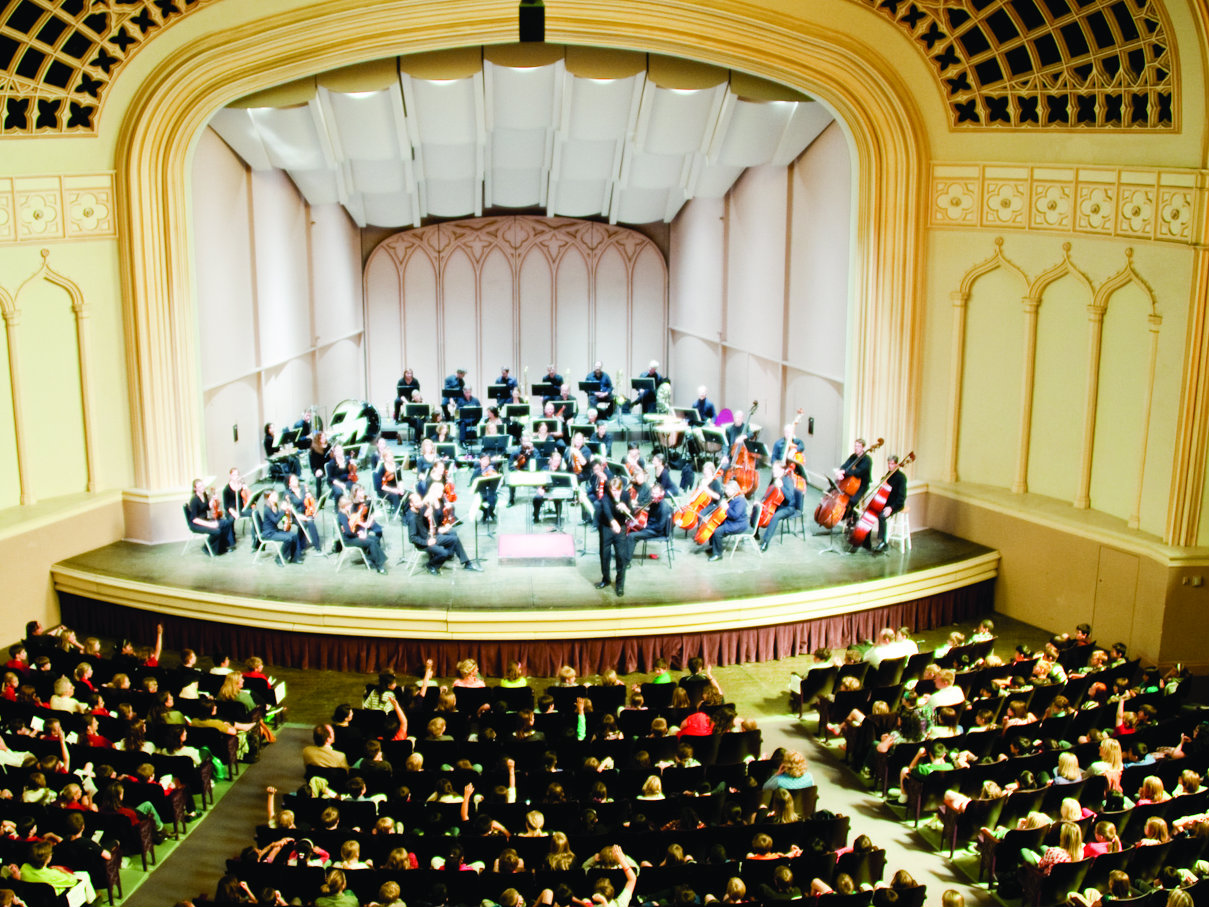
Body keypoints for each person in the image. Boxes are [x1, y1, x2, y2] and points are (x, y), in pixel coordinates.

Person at [412, 487, 482, 575]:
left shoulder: (439, 502)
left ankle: (466, 563)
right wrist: (436, 528)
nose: (443, 493)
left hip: (435, 530)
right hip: (430, 535)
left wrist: (444, 525)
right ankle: (436, 561)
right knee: (453, 537)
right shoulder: (426, 506)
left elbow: (438, 520)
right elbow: (424, 527)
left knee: (454, 536)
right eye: (440, 491)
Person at [756, 461, 802, 551]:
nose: (773, 472)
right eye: (773, 469)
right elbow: (769, 493)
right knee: (759, 508)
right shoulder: (774, 479)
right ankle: (755, 533)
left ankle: (765, 542)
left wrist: (781, 487)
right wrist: (761, 502)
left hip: (788, 507)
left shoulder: (787, 480)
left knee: (775, 517)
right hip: (777, 504)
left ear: (782, 470)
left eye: (776, 470)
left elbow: (789, 497)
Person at [595, 476, 630, 597]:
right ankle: (606, 579)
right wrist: (612, 522)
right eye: (612, 490)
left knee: (621, 556)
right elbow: (606, 511)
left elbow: (630, 511)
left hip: (621, 528)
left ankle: (620, 585)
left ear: (621, 489)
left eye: (617, 490)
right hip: (606, 527)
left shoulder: (625, 495)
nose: (614, 492)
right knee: (604, 555)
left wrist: (625, 508)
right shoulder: (606, 496)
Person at [865, 453, 908, 552]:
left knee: (882, 516)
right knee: (871, 512)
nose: (890, 466)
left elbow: (901, 497)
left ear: (897, 465)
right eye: (889, 464)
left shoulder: (901, 478)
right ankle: (866, 541)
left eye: (892, 464)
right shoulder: (889, 474)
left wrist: (891, 508)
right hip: (887, 502)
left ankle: (883, 542)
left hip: (896, 504)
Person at [336, 495, 387, 574]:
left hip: (352, 536)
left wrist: (358, 533)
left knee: (375, 539)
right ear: (344, 506)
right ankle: (379, 566)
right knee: (371, 542)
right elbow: (348, 532)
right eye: (349, 505)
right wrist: (358, 535)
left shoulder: (345, 513)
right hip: (348, 540)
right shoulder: (342, 516)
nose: (350, 506)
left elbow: (351, 529)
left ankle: (370, 558)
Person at [186, 479, 236, 554]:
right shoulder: (194, 500)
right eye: (200, 487)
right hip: (196, 524)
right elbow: (194, 519)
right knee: (217, 531)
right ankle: (207, 548)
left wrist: (212, 500)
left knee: (226, 523)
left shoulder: (204, 495)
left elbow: (207, 507)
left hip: (205, 520)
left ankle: (226, 545)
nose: (202, 488)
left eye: (202, 485)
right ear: (195, 489)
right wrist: (210, 524)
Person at [626, 484, 670, 561]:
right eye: (652, 493)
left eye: (656, 493)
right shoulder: (654, 502)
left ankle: (625, 562)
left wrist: (645, 526)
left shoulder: (664, 507)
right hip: (650, 527)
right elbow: (650, 515)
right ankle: (624, 554)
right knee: (628, 530)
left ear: (662, 493)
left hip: (656, 531)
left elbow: (659, 527)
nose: (653, 495)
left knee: (631, 536)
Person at [260, 489, 303, 564]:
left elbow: (278, 517)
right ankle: (279, 558)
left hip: (274, 530)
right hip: (269, 533)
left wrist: (286, 511)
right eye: (274, 495)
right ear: (269, 497)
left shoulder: (274, 505)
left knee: (293, 535)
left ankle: (294, 557)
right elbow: (276, 520)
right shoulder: (267, 509)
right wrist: (282, 510)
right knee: (288, 539)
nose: (277, 496)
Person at [708, 480, 748, 561]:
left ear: (734, 490)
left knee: (718, 532)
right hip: (732, 521)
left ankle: (718, 554)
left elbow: (735, 515)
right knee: (713, 526)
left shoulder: (740, 500)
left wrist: (727, 508)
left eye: (728, 489)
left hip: (739, 524)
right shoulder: (731, 498)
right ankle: (714, 548)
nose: (726, 491)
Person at [285, 473, 323, 556]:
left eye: (296, 479)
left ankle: (317, 546)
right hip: (296, 515)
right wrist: (298, 516)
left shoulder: (303, 488)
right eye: (293, 480)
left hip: (306, 512)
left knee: (310, 522)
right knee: (302, 523)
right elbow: (289, 509)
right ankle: (300, 546)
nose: (295, 481)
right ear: (289, 483)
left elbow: (310, 500)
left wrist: (310, 495)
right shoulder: (288, 493)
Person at [834, 437, 873, 518]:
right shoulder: (853, 456)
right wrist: (840, 471)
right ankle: (842, 515)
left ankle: (852, 517)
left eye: (858, 446)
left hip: (862, 485)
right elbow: (845, 465)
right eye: (855, 446)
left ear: (863, 448)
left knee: (852, 500)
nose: (856, 448)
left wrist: (845, 472)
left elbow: (858, 472)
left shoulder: (867, 460)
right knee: (835, 490)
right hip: (852, 482)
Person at [470, 451, 500, 522]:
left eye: (487, 460)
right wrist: (480, 477)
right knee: (477, 503)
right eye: (483, 460)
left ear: (489, 461)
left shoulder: (492, 470)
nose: (485, 462)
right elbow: (471, 482)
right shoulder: (476, 471)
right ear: (480, 461)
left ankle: (488, 513)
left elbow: (497, 482)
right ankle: (488, 513)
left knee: (493, 500)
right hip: (481, 492)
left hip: (490, 491)